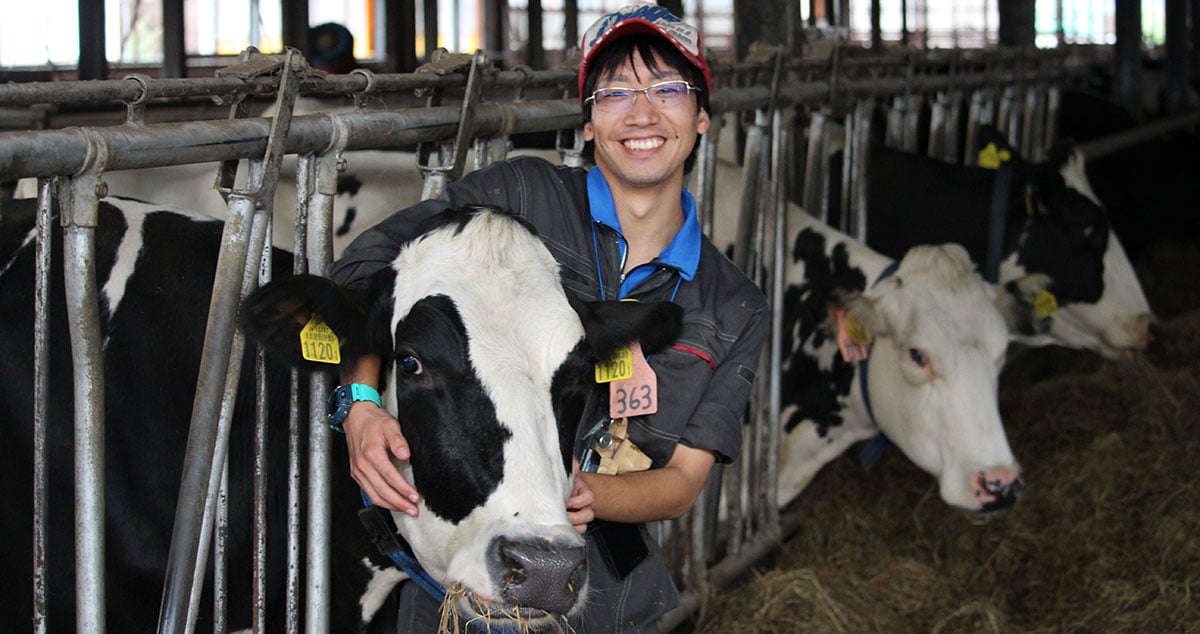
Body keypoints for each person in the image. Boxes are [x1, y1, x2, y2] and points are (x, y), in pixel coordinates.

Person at [327, 3, 768, 631]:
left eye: (668, 89)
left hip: (610, 598)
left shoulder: (732, 304)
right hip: (463, 587)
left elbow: (683, 483)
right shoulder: (519, 196)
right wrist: (362, 404)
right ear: (588, 124)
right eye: (615, 93)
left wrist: (564, 505)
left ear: (700, 116)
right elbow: (368, 272)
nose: (642, 113)